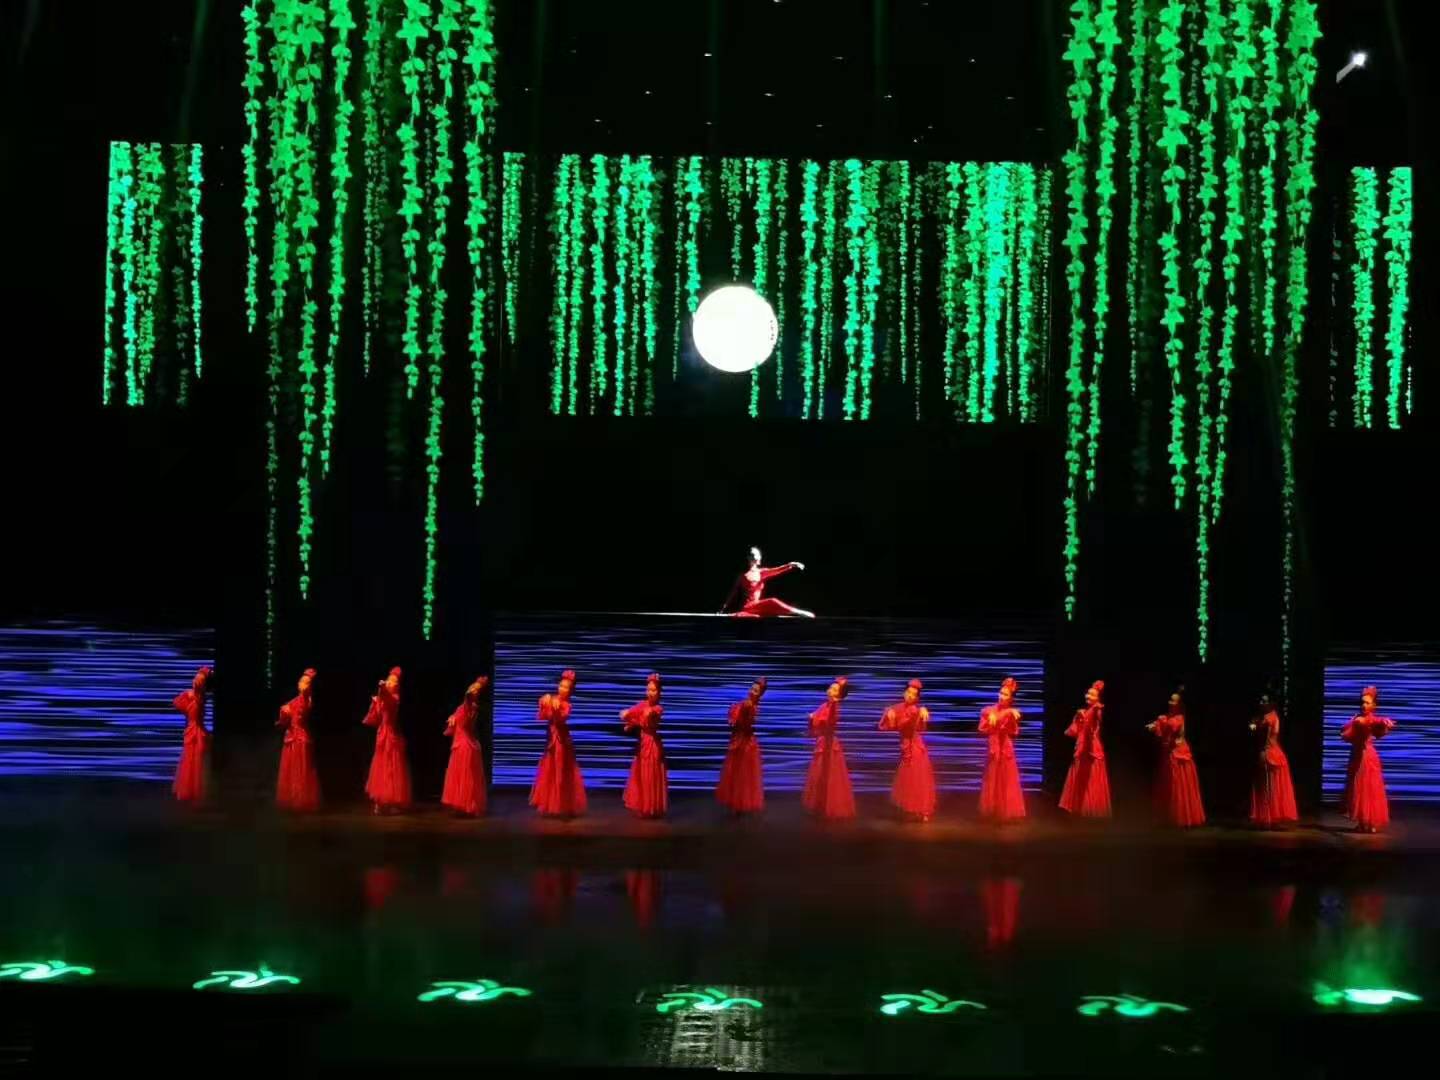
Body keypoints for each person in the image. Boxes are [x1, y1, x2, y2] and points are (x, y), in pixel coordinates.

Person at [530, 669, 587, 817]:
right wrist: (545, 699)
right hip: (550, 740)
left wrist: (555, 706)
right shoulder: (552, 698)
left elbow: (560, 718)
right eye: (561, 686)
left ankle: (561, 805)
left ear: (570, 691)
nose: (562, 689)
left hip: (561, 741)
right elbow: (542, 715)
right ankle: (550, 804)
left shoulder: (567, 705)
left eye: (566, 687)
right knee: (549, 770)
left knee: (561, 771)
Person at [1145, 689, 1205, 827]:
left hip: (1178, 753)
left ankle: (1182, 815)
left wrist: (1158, 724)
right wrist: (1154, 725)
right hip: (1169, 754)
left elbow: (1170, 726)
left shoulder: (1179, 718)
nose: (1170, 703)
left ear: (1179, 705)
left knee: (1178, 783)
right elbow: (1163, 725)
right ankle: (1167, 816)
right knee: (1169, 783)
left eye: (1173, 701)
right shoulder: (1169, 716)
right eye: (1170, 700)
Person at [880, 678, 937, 821]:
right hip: (905, 746)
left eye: (914, 694)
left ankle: (923, 810)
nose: (910, 696)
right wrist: (888, 712)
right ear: (904, 693)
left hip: (916, 747)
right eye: (908, 692)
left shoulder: (916, 710)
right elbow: (886, 722)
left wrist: (921, 711)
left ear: (917, 698)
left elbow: (917, 725)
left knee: (918, 778)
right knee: (908, 779)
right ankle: (911, 808)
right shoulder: (898, 707)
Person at [1341, 685, 1394, 833]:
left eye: (1367, 702)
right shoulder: (1356, 719)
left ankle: (1371, 822)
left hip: (1368, 757)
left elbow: (1375, 723)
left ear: (1373, 705)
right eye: (1362, 702)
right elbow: (1346, 733)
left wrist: (1384, 722)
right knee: (1358, 787)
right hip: (1356, 756)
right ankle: (1361, 820)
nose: (1364, 705)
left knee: (1370, 787)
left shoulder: (1370, 719)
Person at [802, 676, 856, 819]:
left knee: (829, 775)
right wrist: (812, 718)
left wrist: (816, 717)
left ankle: (829, 806)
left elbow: (829, 720)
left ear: (838, 695)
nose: (830, 690)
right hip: (822, 742)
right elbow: (816, 721)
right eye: (831, 688)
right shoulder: (824, 705)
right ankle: (820, 805)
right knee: (819, 775)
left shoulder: (833, 706)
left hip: (829, 744)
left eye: (834, 689)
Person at [1059, 680, 1112, 818]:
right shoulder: (1084, 711)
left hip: (1091, 748)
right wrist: (1078, 718)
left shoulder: (1096, 709)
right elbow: (1073, 732)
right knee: (1080, 778)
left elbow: (1096, 720)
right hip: (1082, 747)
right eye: (1088, 693)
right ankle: (1079, 810)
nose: (1088, 696)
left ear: (1098, 698)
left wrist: (1093, 711)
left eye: (1092, 695)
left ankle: (1091, 811)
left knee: (1091, 779)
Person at [363, 667, 412, 813]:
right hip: (382, 734)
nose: (391, 682)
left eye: (394, 681)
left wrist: (382, 688)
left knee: (391, 767)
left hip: (391, 735)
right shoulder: (382, 698)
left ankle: (392, 801)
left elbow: (387, 698)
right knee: (380, 766)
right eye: (390, 680)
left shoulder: (395, 698)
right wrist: (376, 700)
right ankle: (379, 801)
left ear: (397, 685)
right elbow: (376, 715)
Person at [717, 677, 767, 814]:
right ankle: (735, 803)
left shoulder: (752, 706)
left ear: (760, 694)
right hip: (738, 740)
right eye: (752, 688)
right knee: (735, 772)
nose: (752, 691)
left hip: (746, 743)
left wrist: (739, 712)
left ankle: (740, 804)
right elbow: (734, 719)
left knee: (743, 774)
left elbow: (744, 720)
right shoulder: (746, 704)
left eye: (756, 691)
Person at [622, 672, 669, 818]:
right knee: (641, 776)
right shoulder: (643, 704)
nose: (650, 693)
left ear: (659, 692)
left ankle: (652, 808)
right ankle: (644, 806)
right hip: (642, 744)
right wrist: (629, 720)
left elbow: (650, 714)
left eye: (653, 690)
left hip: (652, 744)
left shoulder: (658, 708)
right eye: (648, 689)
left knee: (650, 776)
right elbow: (629, 713)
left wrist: (637, 717)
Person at [441, 676, 490, 816]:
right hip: (460, 743)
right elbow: (458, 716)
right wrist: (452, 718)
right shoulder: (462, 707)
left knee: (465, 776)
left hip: (465, 745)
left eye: (477, 690)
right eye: (473, 687)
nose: (473, 690)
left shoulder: (471, 706)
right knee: (459, 775)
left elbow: (467, 701)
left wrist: (471, 693)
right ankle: (461, 805)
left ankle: (467, 805)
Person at [979, 677, 1025, 822]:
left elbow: (1013, 731)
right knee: (992, 778)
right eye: (1000, 693)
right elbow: (983, 727)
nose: (1001, 696)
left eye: (1005, 694)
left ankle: (1005, 810)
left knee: (1007, 779)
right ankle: (992, 810)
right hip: (994, 748)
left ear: (1010, 698)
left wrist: (1008, 714)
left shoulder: (1012, 713)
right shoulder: (989, 710)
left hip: (1005, 748)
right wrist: (997, 716)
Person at [1249, 693, 1298, 828]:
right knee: (1269, 786)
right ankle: (1269, 817)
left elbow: (1261, 735)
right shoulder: (1271, 717)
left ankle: (1269, 817)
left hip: (1269, 754)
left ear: (1271, 704)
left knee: (1268, 786)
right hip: (1272, 752)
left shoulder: (1268, 718)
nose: (1261, 703)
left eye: (1264, 701)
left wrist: (1253, 726)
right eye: (1261, 701)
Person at [275, 667, 321, 811]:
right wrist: (284, 713)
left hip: (300, 738)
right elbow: (285, 718)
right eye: (301, 681)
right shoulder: (296, 700)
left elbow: (304, 698)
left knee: (300, 770)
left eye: (304, 682)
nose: (300, 683)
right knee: (291, 770)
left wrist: (308, 681)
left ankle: (300, 800)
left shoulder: (306, 699)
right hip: (291, 737)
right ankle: (292, 799)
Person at [723, 546, 814, 618]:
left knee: (771, 611)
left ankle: (795, 613)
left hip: (757, 606)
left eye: (755, 554)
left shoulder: (761, 572)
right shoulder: (742, 576)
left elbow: (777, 570)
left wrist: (790, 564)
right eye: (750, 554)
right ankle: (798, 612)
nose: (752, 556)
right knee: (772, 601)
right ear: (747, 557)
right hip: (748, 606)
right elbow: (733, 592)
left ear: (759, 558)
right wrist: (724, 607)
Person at [172, 666, 213, 804]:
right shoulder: (194, 697)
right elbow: (177, 703)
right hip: (194, 730)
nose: (196, 683)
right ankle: (191, 791)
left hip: (195, 730)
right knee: (192, 761)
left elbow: (177, 703)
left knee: (193, 761)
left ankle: (192, 792)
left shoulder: (197, 698)